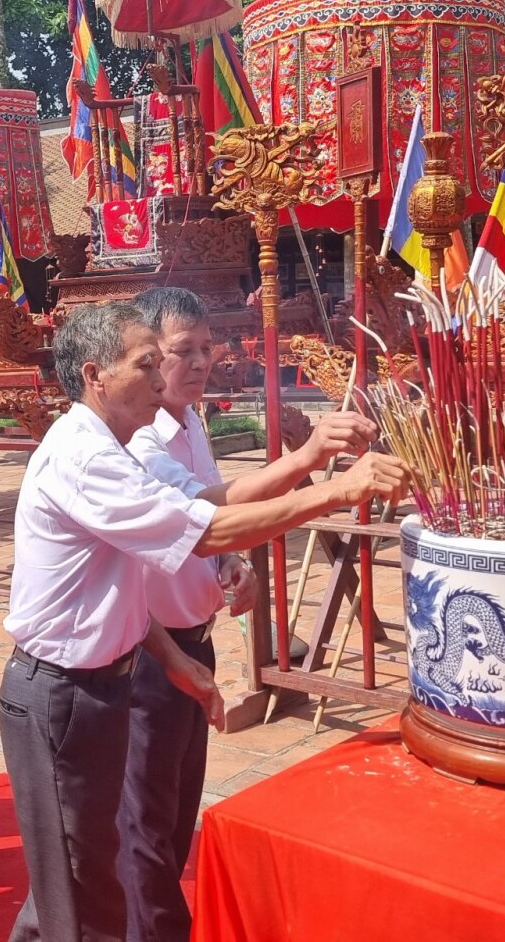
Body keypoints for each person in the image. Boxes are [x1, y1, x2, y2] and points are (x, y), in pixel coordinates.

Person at [2, 302, 411, 941]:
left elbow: (127, 581)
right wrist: (332, 489)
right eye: (150, 364)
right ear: (95, 375)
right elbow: (206, 529)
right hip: (63, 690)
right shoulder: (90, 456)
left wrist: (173, 657)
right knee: (85, 884)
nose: (169, 380)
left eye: (200, 351)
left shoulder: (120, 439)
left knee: (80, 872)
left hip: (106, 676)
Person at [119, 287, 380, 942]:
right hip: (148, 654)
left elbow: (209, 530)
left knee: (175, 813)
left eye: (207, 348)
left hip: (193, 642)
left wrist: (227, 569)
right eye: (184, 352)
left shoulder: (190, 422)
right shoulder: (140, 440)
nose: (201, 362)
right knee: (145, 823)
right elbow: (207, 515)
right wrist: (313, 467)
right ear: (147, 357)